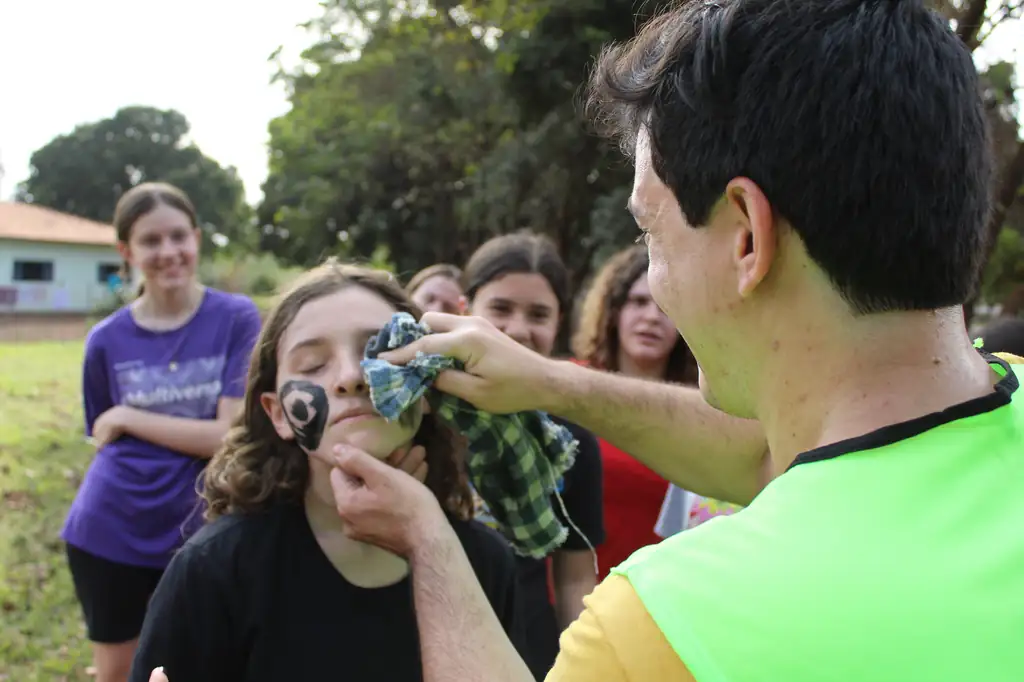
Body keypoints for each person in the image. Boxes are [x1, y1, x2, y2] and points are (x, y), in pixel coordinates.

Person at [316, 1, 1024, 680]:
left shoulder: (668, 627)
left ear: (746, 238)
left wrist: (429, 540)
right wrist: (546, 380)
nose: (652, 280)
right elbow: (773, 459)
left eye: (649, 232)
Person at [129, 262, 522, 682]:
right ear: (278, 414)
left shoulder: (485, 563)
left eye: (378, 350)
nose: (351, 376)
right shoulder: (214, 572)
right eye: (313, 364)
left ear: (427, 385)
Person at [61, 182, 262, 682]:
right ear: (126, 252)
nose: (169, 251)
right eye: (151, 241)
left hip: (204, 528)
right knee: (121, 674)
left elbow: (229, 435)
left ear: (197, 238)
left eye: (178, 236)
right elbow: (104, 437)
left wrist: (131, 416)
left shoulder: (235, 318)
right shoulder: (105, 341)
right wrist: (120, 422)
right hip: (111, 528)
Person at [459, 232, 605, 680]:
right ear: (465, 311)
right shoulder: (420, 418)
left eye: (538, 314)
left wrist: (580, 667)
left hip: (527, 652)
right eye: (500, 308)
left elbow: (574, 576)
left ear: (558, 324)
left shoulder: (570, 441)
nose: (519, 329)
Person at [572, 244, 700, 577]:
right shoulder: (570, 387)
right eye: (639, 302)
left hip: (659, 593)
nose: (652, 317)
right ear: (613, 310)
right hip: (568, 591)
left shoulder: (703, 409)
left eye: (666, 306)